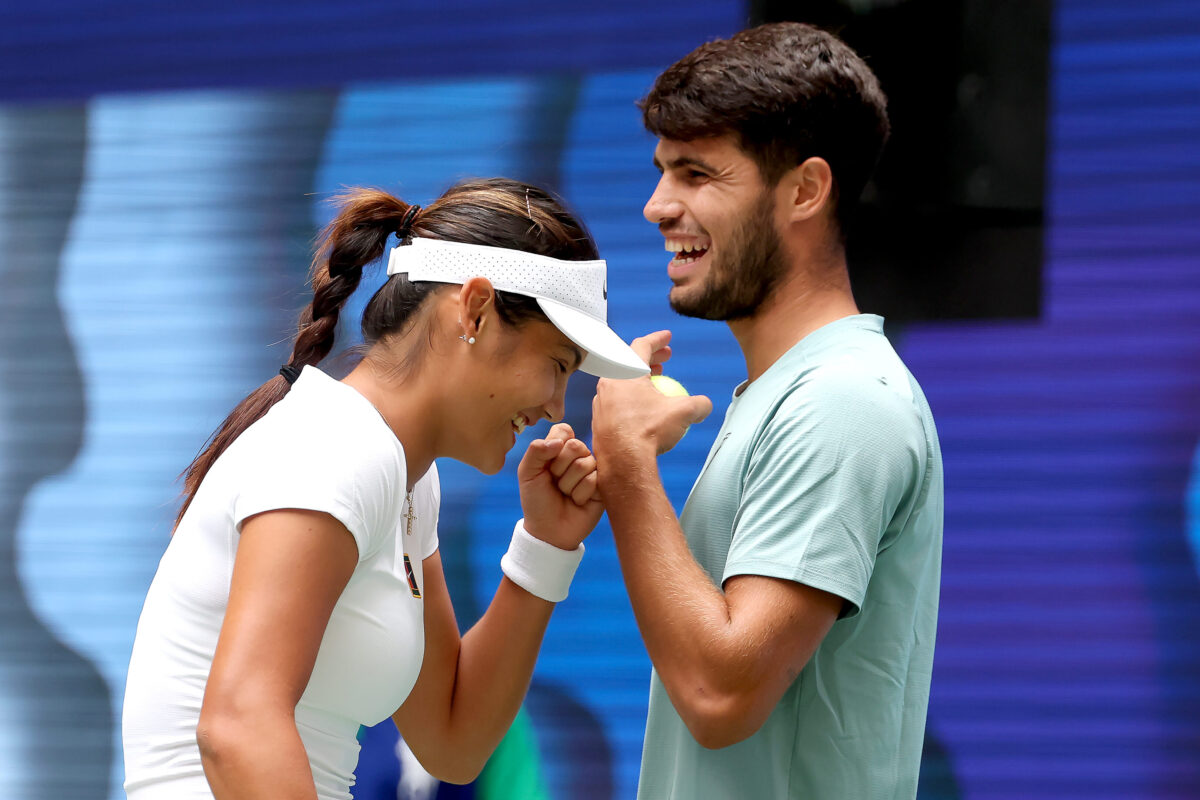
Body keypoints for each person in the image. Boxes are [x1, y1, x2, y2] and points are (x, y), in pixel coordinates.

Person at [121, 178, 649, 800]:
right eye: (558, 363)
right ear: (474, 309)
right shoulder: (339, 446)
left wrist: (546, 547)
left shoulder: (404, 478)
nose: (556, 406)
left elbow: (453, 740)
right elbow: (238, 728)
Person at [590, 22, 944, 799]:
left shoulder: (845, 403)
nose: (657, 205)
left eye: (696, 174)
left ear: (805, 190)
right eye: (661, 172)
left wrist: (625, 468)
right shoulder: (795, 394)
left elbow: (722, 697)